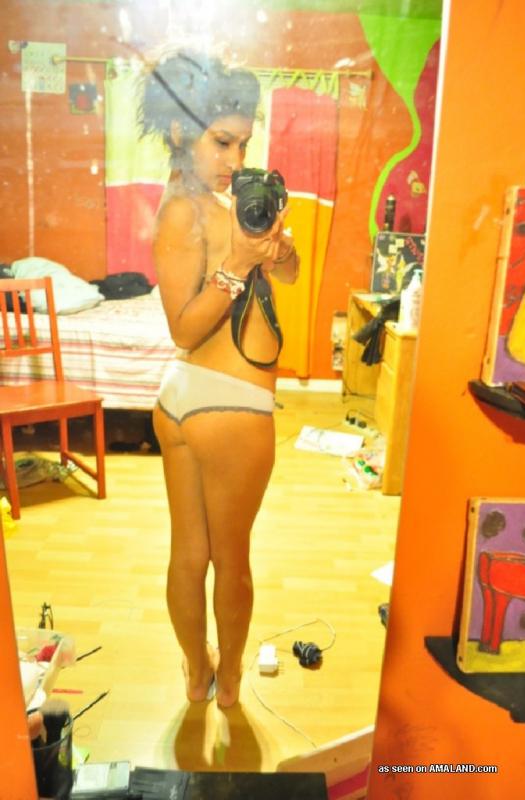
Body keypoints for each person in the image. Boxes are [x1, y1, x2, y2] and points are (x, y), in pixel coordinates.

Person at [139, 50, 299, 708]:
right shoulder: (184, 211)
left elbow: (286, 276)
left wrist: (275, 251)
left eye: (244, 143)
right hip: (228, 407)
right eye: (222, 141)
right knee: (230, 560)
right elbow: (184, 326)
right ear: (182, 131)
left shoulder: (221, 203)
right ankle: (228, 681)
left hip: (183, 403)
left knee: (190, 554)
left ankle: (196, 670)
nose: (236, 158)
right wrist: (236, 264)